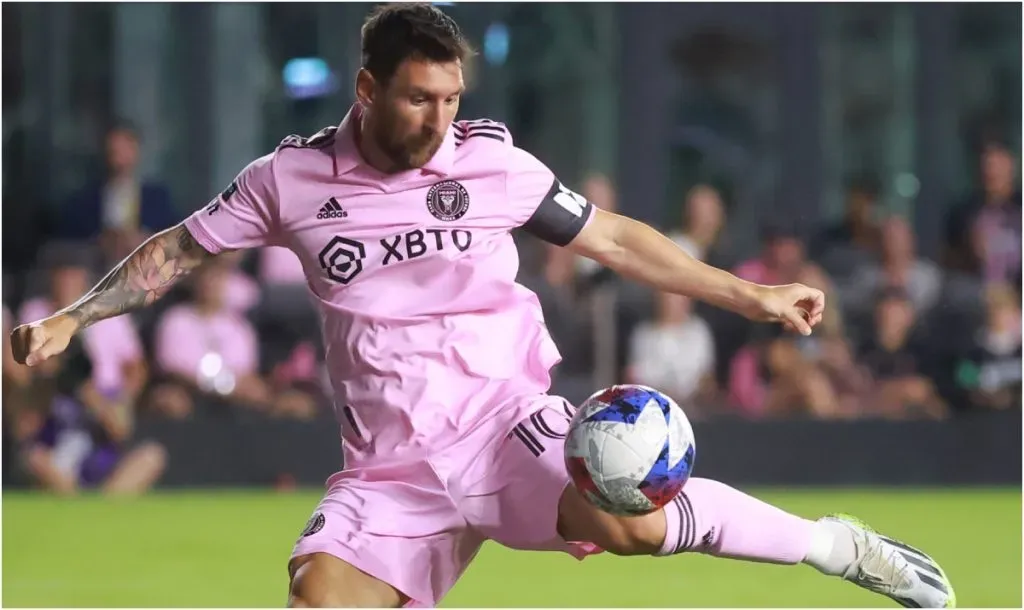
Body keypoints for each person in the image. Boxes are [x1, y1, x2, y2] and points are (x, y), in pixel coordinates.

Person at [11, 4, 954, 608]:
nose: (440, 123)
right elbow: (176, 249)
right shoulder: (288, 180)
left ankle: (842, 548)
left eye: (454, 99)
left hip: (510, 428)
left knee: (631, 521)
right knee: (319, 599)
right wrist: (71, 317)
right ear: (369, 88)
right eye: (421, 101)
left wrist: (750, 294)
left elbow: (620, 239)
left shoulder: (493, 162)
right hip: (390, 473)